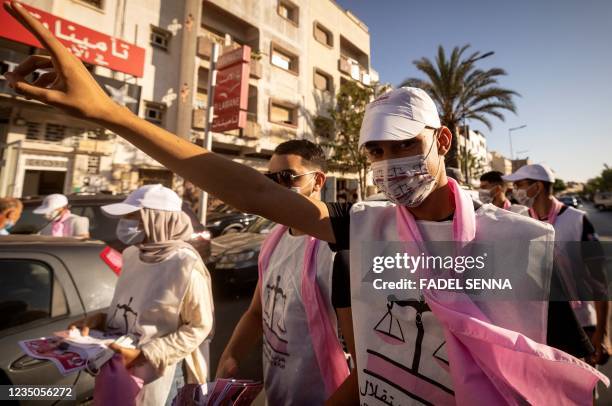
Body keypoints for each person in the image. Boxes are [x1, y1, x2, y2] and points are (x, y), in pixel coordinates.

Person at [3, 4, 607, 403]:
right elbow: (247, 187)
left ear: (442, 141)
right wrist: (112, 113)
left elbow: (574, 376)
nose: (389, 162)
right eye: (375, 151)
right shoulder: (363, 234)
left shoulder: (524, 243)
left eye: (405, 146)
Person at [216, 140, 349, 405]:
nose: (274, 188)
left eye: (286, 177)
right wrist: (230, 355)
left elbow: (364, 359)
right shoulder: (273, 240)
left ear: (318, 181)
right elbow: (256, 312)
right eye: (269, 179)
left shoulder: (336, 253)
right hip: (277, 394)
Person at [69, 184, 214, 405]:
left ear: (157, 219)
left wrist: (145, 354)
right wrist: (100, 319)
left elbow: (199, 327)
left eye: (132, 216)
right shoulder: (132, 255)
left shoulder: (185, 264)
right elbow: (134, 304)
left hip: (163, 373)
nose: (124, 224)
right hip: (122, 363)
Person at [504, 164, 611, 365]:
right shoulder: (521, 222)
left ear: (538, 186)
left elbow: (600, 280)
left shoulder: (577, 220)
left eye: (520, 184)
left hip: (580, 324)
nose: (515, 190)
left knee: (581, 392)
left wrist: (603, 333)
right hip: (539, 327)